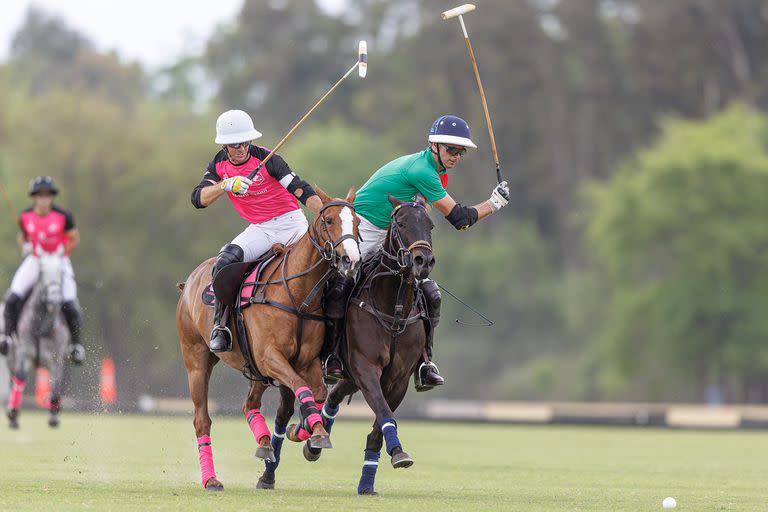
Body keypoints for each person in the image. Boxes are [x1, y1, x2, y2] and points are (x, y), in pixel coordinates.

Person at [322, 114, 510, 390]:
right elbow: (459, 219)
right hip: (364, 226)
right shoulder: (422, 171)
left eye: (461, 152)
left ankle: (424, 362)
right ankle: (331, 357)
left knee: (429, 293)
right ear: (433, 145)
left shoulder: (438, 174)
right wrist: (493, 203)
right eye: (450, 149)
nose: (456, 156)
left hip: (391, 234)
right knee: (341, 286)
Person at [191, 109, 323, 353]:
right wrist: (225, 185)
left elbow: (299, 188)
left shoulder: (268, 159)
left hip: (292, 224)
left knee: (324, 266)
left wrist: (325, 211)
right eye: (235, 144)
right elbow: (198, 198)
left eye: (245, 142)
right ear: (225, 145)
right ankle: (221, 326)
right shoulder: (219, 165)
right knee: (225, 260)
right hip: (260, 228)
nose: (241, 148)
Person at [0, 176, 85, 364]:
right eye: (40, 195)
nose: (43, 199)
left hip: (58, 261)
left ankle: (76, 346)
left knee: (70, 301)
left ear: (51, 197)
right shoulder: (25, 216)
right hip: (36, 260)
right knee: (13, 296)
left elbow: (74, 239)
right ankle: (6, 336)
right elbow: (22, 237)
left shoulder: (63, 216)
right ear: (34, 197)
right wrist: (26, 247)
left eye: (47, 195)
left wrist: (63, 252)